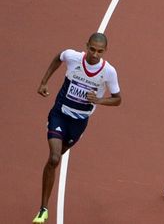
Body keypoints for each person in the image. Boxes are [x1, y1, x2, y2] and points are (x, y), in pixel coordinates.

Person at [33, 33, 122, 223]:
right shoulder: (73, 57)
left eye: (100, 51)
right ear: (87, 46)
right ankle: (43, 209)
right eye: (92, 49)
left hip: (79, 123)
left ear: (105, 51)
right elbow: (59, 57)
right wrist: (43, 82)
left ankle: (48, 182)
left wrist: (99, 100)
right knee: (55, 157)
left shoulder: (109, 72)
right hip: (60, 113)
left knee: (55, 160)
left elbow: (118, 99)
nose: (95, 54)